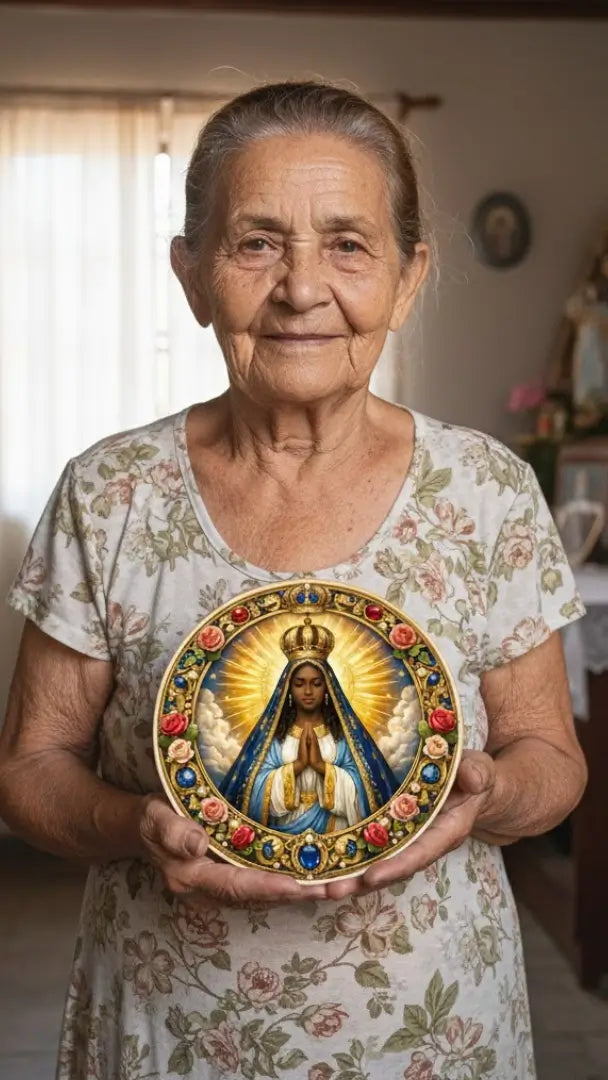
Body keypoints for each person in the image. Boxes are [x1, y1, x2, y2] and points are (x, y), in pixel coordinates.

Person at [0, 82, 587, 1080]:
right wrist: (132, 825)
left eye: (348, 245)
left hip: (428, 1030)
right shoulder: (109, 494)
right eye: (256, 242)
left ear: (407, 279)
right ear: (191, 276)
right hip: (171, 1020)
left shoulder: (485, 490)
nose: (301, 288)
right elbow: (29, 771)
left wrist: (485, 794)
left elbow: (552, 761)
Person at [219, 619, 397, 832]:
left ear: (328, 687)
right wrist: (298, 766)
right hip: (282, 830)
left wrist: (322, 767)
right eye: (300, 683)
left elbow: (364, 786)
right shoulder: (275, 735)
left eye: (316, 683)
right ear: (288, 688)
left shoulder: (343, 735)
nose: (308, 692)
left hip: (335, 829)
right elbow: (252, 789)